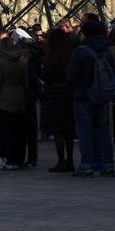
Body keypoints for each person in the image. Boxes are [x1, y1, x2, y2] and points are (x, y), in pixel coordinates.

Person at [66, 19, 114, 177]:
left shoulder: (81, 51)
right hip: (102, 95)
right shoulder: (107, 50)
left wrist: (72, 90)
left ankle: (86, 165)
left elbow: (72, 76)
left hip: (83, 96)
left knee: (85, 132)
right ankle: (108, 165)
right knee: (103, 131)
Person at [0, 31, 30, 170]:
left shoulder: (0, 61)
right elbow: (26, 82)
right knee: (18, 131)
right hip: (19, 98)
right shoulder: (21, 61)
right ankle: (18, 159)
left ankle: (7, 159)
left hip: (4, 99)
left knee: (5, 131)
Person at [41, 27, 76, 173]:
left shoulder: (51, 56)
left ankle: (61, 161)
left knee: (58, 130)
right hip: (68, 93)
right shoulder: (71, 54)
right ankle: (70, 160)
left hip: (54, 93)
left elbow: (45, 75)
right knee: (68, 129)